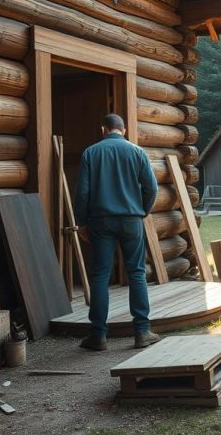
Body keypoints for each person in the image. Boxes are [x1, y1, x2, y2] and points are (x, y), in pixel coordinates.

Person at [73, 114, 161, 351]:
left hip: (100, 221)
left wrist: (82, 222)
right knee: (136, 273)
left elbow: (82, 193)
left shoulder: (91, 153)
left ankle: (98, 336)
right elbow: (151, 187)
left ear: (104, 129)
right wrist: (143, 210)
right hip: (132, 219)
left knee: (100, 276)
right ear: (124, 130)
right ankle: (142, 332)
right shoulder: (137, 152)